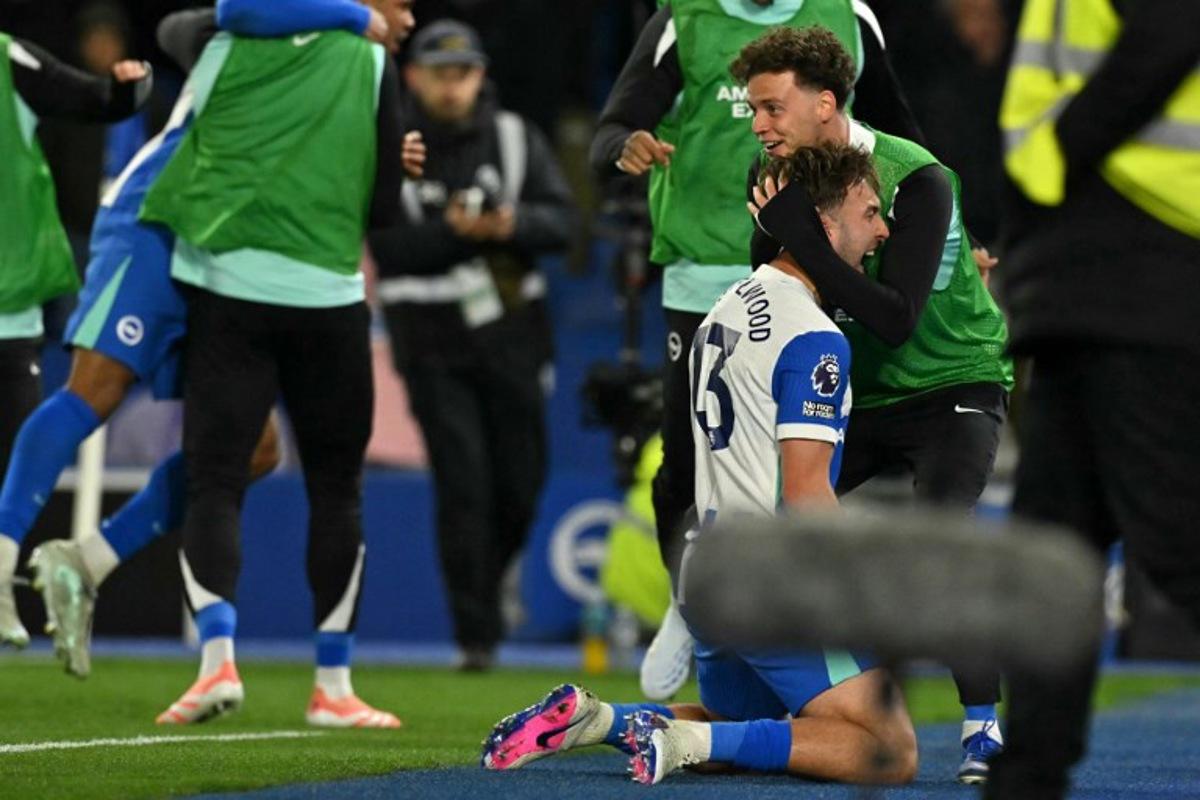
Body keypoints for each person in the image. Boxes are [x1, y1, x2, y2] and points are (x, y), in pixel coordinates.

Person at [482, 145, 918, 787]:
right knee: (891, 751)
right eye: (871, 212)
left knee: (753, 723)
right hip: (770, 580)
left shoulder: (726, 307)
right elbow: (803, 495)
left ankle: (597, 720)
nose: (883, 230)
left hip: (707, 572)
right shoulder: (817, 340)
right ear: (826, 225)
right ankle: (682, 740)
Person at [0, 0, 394, 680]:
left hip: (224, 248)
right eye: (400, 5)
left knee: (254, 450)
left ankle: (88, 560)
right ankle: (2, 557)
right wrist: (353, 15)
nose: (404, 20)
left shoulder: (353, 67)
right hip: (156, 218)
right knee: (96, 388)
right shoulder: (259, 26)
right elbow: (188, 25)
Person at [588, 0, 925, 703]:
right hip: (709, 271)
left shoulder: (849, 16)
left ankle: (763, 616)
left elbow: (901, 136)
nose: (764, 123)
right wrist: (626, 144)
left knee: (815, 447)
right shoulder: (686, 19)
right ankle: (694, 606)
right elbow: (612, 126)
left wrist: (939, 232)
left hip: (815, 269)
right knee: (684, 463)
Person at [734, 25, 1014, 782]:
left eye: (769, 107)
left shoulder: (918, 179)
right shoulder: (775, 176)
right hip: (861, 391)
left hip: (953, 383)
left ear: (825, 103)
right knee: (763, 512)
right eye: (754, 110)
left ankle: (983, 723)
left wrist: (800, 235)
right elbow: (790, 287)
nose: (757, 125)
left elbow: (895, 317)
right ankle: (772, 694)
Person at [138, 0, 415, 727]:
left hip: (228, 292)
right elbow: (385, 206)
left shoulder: (221, 39)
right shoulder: (373, 60)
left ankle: (215, 665)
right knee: (337, 490)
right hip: (328, 297)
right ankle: (333, 686)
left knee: (216, 482)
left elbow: (177, 26)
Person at [986, 2, 1200, 798]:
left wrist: (1054, 159)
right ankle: (1026, 777)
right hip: (1096, 283)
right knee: (1053, 558)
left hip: (1146, 270)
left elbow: (1173, 28)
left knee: (1176, 543)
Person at [368, 18, 574, 672]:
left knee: (521, 482)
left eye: (463, 73)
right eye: (439, 73)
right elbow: (390, 249)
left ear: (480, 75)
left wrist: (511, 222)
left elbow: (564, 223)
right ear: (414, 77)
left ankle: (493, 579)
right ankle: (476, 636)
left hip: (514, 336)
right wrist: (461, 234)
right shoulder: (394, 144)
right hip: (430, 341)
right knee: (463, 484)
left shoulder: (515, 139)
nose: (452, 86)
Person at [0, 28, 150, 651]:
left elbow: (96, 101)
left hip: (8, 302)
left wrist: (127, 89)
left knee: (11, 455)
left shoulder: (7, 57)